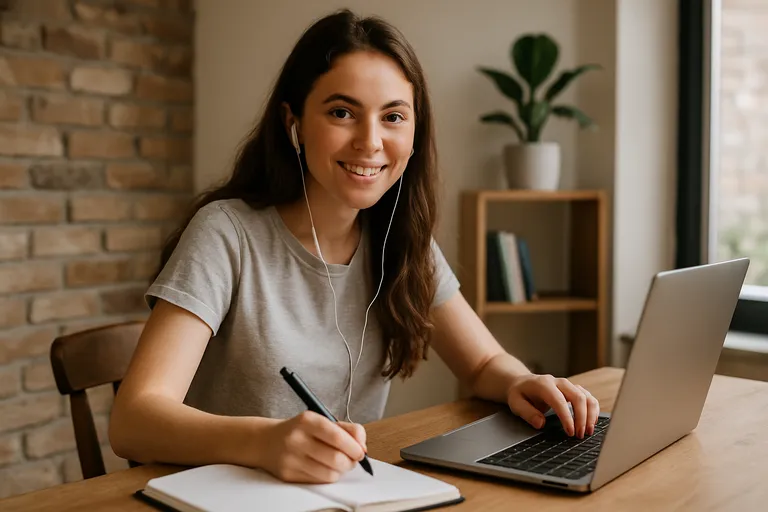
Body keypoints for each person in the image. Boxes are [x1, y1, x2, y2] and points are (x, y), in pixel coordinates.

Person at [109, 8, 600, 485]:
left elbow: (482, 364)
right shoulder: (226, 233)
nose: (370, 141)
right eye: (342, 112)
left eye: (393, 116)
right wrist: (264, 442)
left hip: (342, 493)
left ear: (415, 132)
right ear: (294, 122)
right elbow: (133, 421)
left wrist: (520, 381)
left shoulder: (402, 240)